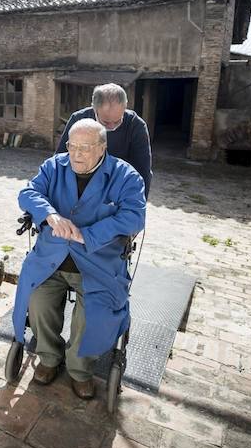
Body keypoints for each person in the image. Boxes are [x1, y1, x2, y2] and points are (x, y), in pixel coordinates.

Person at [13, 119, 146, 399]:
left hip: (98, 263)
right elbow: (28, 193)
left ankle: (79, 370)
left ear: (102, 148)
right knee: (37, 301)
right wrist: (49, 214)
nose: (76, 154)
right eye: (72, 146)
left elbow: (135, 216)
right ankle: (48, 357)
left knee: (91, 316)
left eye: (85, 148)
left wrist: (90, 234)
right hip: (52, 257)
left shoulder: (126, 176)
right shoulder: (54, 166)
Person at [56, 83, 153, 200]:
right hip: (81, 187)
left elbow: (143, 171)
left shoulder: (135, 125)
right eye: (106, 122)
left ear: (125, 107)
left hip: (118, 189)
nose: (112, 127)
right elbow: (60, 160)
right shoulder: (79, 119)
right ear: (94, 109)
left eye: (117, 121)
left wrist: (138, 207)